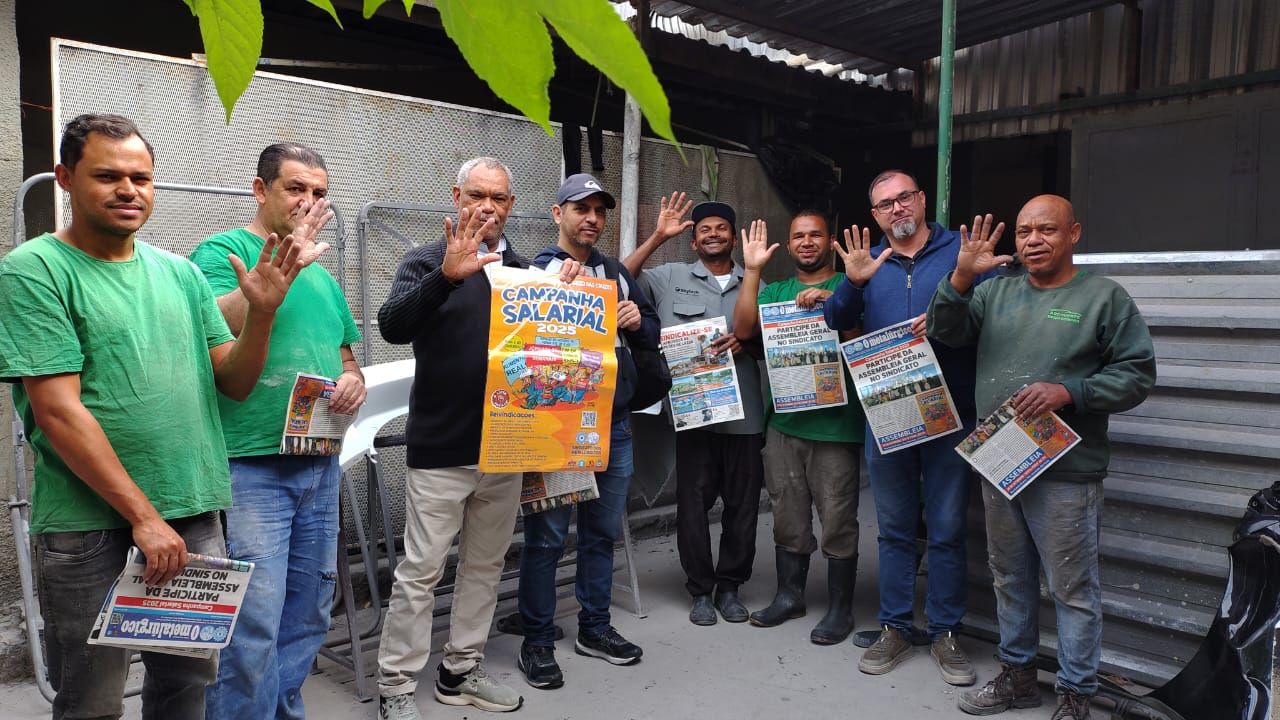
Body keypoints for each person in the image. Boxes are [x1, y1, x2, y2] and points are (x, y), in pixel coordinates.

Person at [0, 113, 303, 718]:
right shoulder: (34, 269)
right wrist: (144, 517)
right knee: (93, 701)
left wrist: (263, 313)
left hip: (191, 512)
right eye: (107, 176)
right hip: (89, 525)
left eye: (140, 178)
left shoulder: (180, 273)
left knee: (186, 686)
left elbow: (234, 382)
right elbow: (57, 411)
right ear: (65, 178)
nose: (128, 190)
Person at [930, 195, 1155, 720]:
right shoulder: (996, 293)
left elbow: (1137, 374)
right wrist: (961, 277)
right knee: (1008, 575)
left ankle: (1075, 693)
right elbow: (945, 330)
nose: (1033, 240)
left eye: (1047, 230)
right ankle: (1018, 676)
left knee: (1072, 588)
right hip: (1001, 458)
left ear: (1073, 234)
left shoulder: (1104, 297)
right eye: (1024, 231)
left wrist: (1070, 391)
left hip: (1067, 470)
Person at [373, 157, 578, 720]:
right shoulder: (426, 259)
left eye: (500, 198)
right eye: (478, 195)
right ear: (456, 196)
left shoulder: (526, 273)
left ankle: (459, 672)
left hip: (506, 450)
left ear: (511, 206)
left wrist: (568, 299)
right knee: (420, 573)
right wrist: (446, 276)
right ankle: (395, 685)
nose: (489, 206)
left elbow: (551, 357)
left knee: (485, 568)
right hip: (442, 449)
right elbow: (392, 326)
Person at [191, 143, 366, 720]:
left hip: (319, 461)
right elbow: (205, 327)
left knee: (309, 613)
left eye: (319, 192)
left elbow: (347, 359)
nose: (308, 201)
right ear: (260, 189)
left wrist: (353, 381)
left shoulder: (325, 279)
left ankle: (282, 711)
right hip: (250, 466)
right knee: (251, 622)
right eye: (295, 188)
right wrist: (267, 287)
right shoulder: (224, 251)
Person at [823, 169, 994, 686]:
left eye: (903, 199)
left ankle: (945, 632)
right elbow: (835, 318)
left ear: (921, 200)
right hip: (889, 411)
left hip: (950, 412)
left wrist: (951, 309)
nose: (896, 209)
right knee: (894, 528)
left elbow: (991, 319)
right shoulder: (868, 261)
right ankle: (895, 627)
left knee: (946, 528)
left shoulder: (959, 252)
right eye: (884, 204)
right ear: (875, 215)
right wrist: (853, 281)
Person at [516, 174, 661, 690]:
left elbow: (652, 331)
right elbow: (518, 343)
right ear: (558, 214)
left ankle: (594, 628)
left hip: (613, 427)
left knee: (601, 534)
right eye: (582, 208)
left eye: (600, 210)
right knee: (547, 538)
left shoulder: (616, 272)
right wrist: (554, 293)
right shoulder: (534, 272)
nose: (592, 219)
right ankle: (536, 640)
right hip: (556, 429)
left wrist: (637, 321)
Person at [622, 196, 766, 626]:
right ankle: (701, 590)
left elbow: (772, 343)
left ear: (734, 238)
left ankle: (730, 587)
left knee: (742, 508)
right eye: (705, 229)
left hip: (745, 417)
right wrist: (656, 237)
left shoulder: (755, 281)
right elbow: (618, 280)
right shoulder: (669, 278)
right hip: (693, 415)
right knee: (692, 507)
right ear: (693, 240)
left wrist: (748, 343)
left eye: (722, 228)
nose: (713, 234)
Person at [731, 211, 866, 645]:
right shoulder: (777, 292)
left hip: (835, 428)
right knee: (787, 517)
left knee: (838, 520)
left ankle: (840, 609)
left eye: (815, 235)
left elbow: (861, 343)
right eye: (798, 237)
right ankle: (790, 596)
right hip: (784, 425)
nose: (807, 242)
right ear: (788, 246)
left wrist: (834, 302)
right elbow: (744, 329)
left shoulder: (851, 284)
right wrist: (752, 270)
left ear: (830, 241)